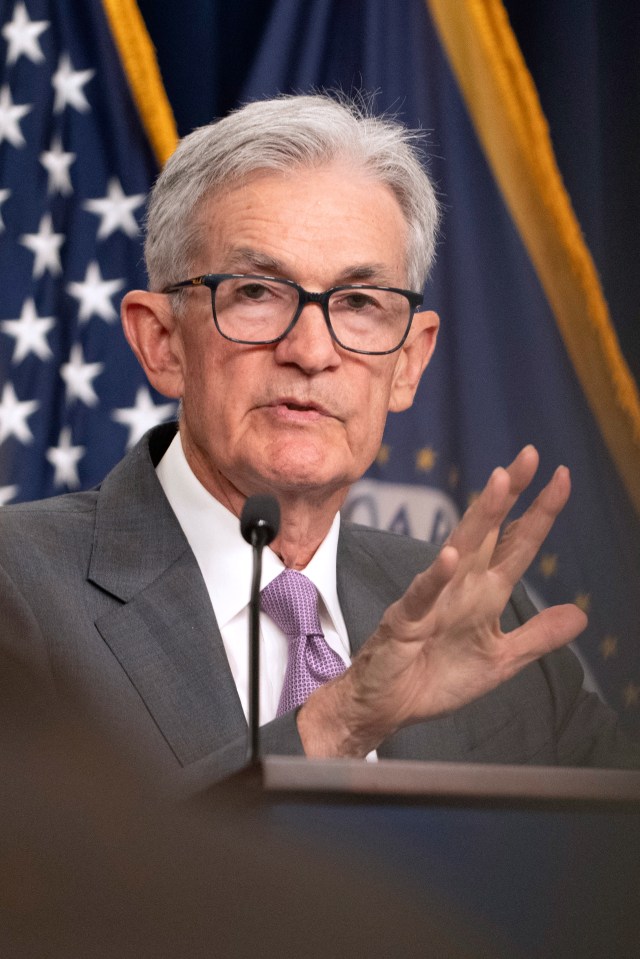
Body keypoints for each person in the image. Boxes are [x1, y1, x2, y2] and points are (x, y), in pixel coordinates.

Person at [0, 94, 636, 785]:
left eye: (359, 303)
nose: (310, 350)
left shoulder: (479, 617)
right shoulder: (20, 591)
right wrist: (333, 726)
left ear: (410, 362)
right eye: (255, 292)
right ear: (161, 342)